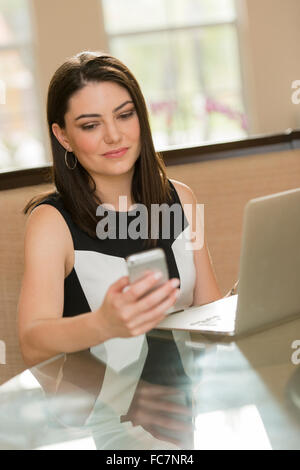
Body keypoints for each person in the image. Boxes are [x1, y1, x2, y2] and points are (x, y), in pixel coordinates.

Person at [17, 51, 222, 367]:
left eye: (125, 115)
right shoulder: (51, 223)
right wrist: (102, 324)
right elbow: (32, 343)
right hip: (102, 411)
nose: (114, 136)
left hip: (186, 401)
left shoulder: (181, 198)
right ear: (63, 136)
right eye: (90, 125)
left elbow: (209, 314)